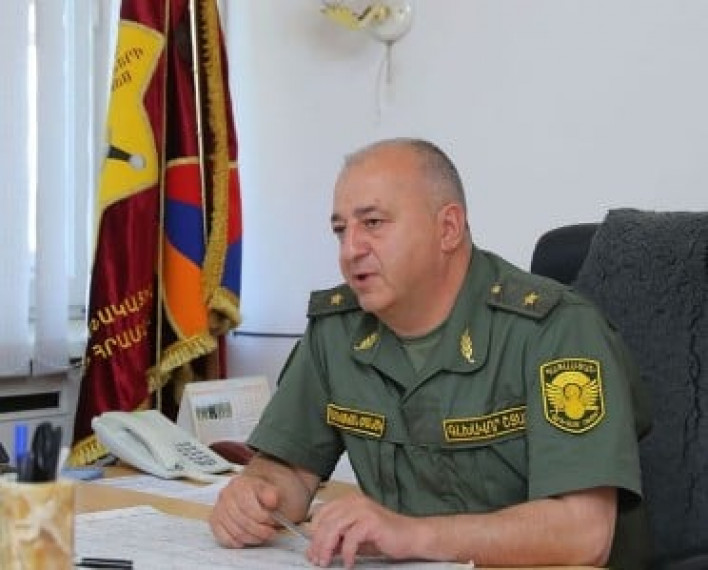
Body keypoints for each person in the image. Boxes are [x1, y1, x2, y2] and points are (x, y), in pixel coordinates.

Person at [209, 138, 651, 568]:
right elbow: (290, 469)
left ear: (448, 228)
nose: (350, 250)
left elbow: (584, 533)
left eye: (373, 223)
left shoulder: (557, 330)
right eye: (341, 230)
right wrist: (256, 495)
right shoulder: (337, 330)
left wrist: (410, 535)